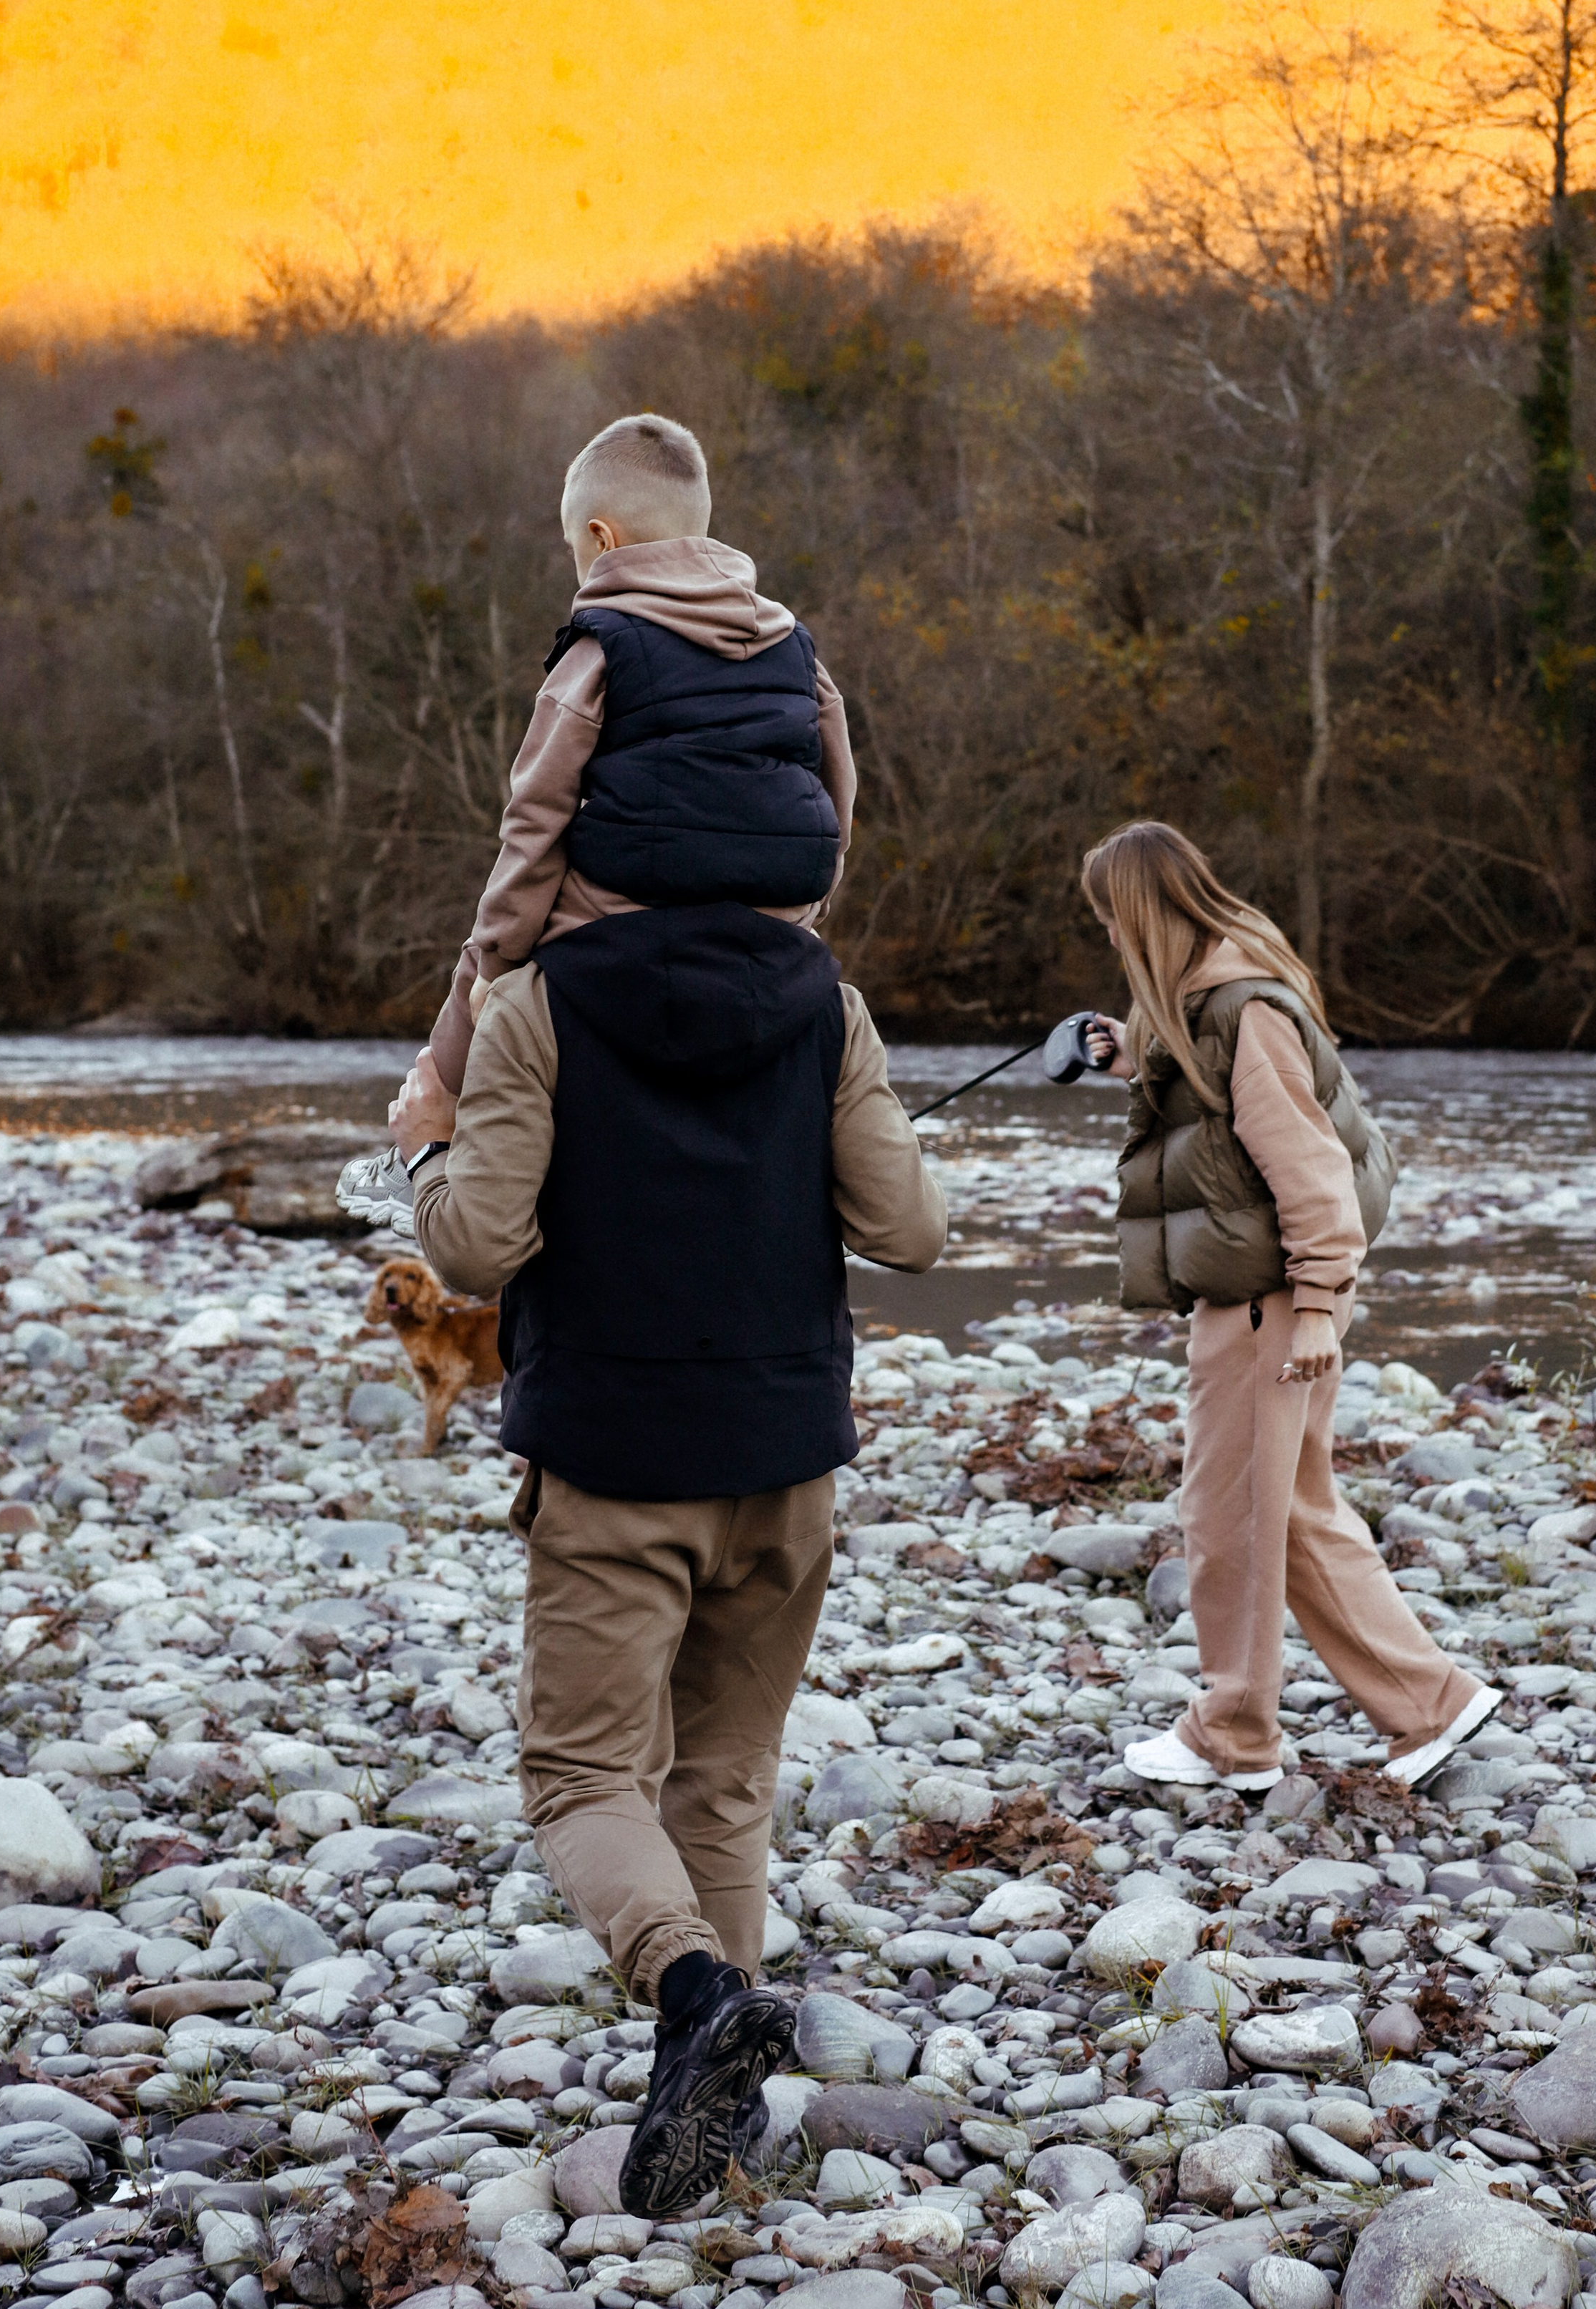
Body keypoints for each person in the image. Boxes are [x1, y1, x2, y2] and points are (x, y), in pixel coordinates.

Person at [387, 901, 946, 2217]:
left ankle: (699, 1997)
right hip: (786, 1456)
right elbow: (913, 1232)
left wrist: (422, 1147)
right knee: (729, 1774)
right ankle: (719, 2102)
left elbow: (472, 1245)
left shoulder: (535, 1001)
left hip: (617, 1462)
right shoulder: (828, 1005)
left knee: (581, 1776)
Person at [341, 410, 856, 1231]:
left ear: (601, 536)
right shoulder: (795, 647)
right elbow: (834, 803)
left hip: (613, 940)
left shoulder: (597, 652)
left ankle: (427, 1155)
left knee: (494, 1003)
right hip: (772, 943)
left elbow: (531, 835)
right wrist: (800, 920)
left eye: (574, 553)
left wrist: (478, 993)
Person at [1078, 820, 1500, 1794]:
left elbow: (1311, 1175)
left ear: (1142, 914)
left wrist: (1316, 1306)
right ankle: (1432, 1702)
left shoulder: (1241, 1008)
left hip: (1270, 1306)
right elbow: (1209, 1092)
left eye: (1108, 918)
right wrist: (1121, 1049)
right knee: (1295, 1512)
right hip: (1270, 1299)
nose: (1105, 935)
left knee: (1225, 1515)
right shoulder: (1213, 993)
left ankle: (1234, 1736)